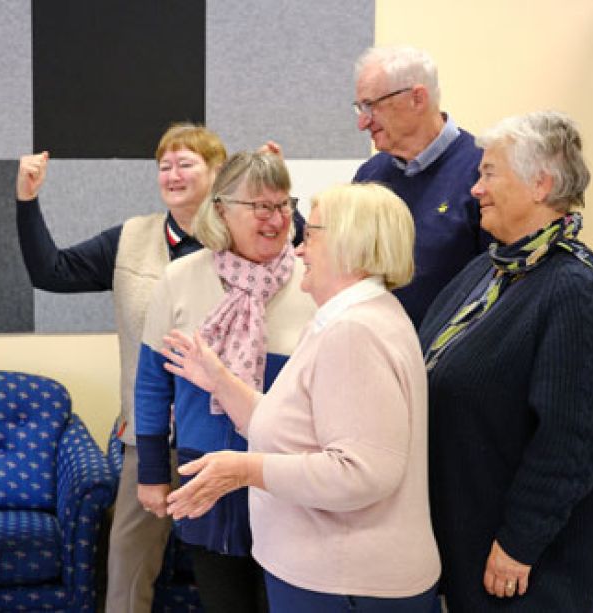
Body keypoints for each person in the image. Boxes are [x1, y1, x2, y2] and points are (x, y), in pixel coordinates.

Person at [18, 124, 305, 612]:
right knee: (134, 569)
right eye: (164, 165)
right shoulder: (140, 244)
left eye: (185, 163)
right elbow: (52, 272)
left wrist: (264, 192)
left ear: (218, 176)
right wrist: (27, 202)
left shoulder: (281, 262)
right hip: (152, 435)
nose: (172, 174)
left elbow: (295, 238)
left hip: (252, 446)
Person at [159, 183, 440, 612]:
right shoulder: (348, 318)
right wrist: (220, 380)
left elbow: (361, 473)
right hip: (335, 579)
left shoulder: (354, 332)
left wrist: (245, 470)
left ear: (349, 244)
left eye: (310, 236)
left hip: (347, 585)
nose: (300, 249)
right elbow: (288, 426)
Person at [419, 111, 593, 611]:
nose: (475, 189)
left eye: (489, 173)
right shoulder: (490, 269)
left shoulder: (574, 289)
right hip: (467, 540)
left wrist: (519, 544)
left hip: (521, 568)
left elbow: (571, 442)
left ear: (540, 184)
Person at [134, 151, 317, 612]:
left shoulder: (312, 279)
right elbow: (152, 384)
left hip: (289, 479)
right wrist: (152, 474)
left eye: (283, 204)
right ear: (221, 210)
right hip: (207, 475)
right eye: (260, 206)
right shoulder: (180, 278)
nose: (276, 219)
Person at [352, 45, 488, 327]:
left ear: (417, 98)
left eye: (371, 106)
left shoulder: (483, 174)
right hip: (376, 345)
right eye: (360, 108)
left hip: (450, 350)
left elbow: (498, 286)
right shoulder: (369, 176)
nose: (362, 123)